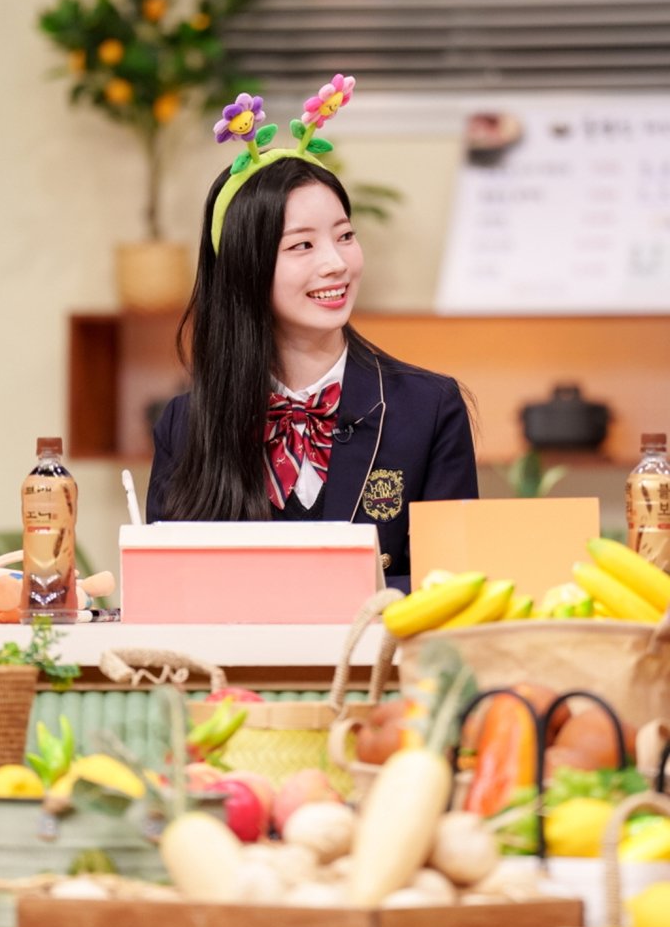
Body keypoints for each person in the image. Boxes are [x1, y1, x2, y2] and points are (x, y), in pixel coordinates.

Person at [146, 73, 478, 586]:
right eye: (302, 245)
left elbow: (452, 587)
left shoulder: (429, 409)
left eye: (344, 236)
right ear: (246, 269)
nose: (336, 264)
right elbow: (165, 589)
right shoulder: (188, 424)